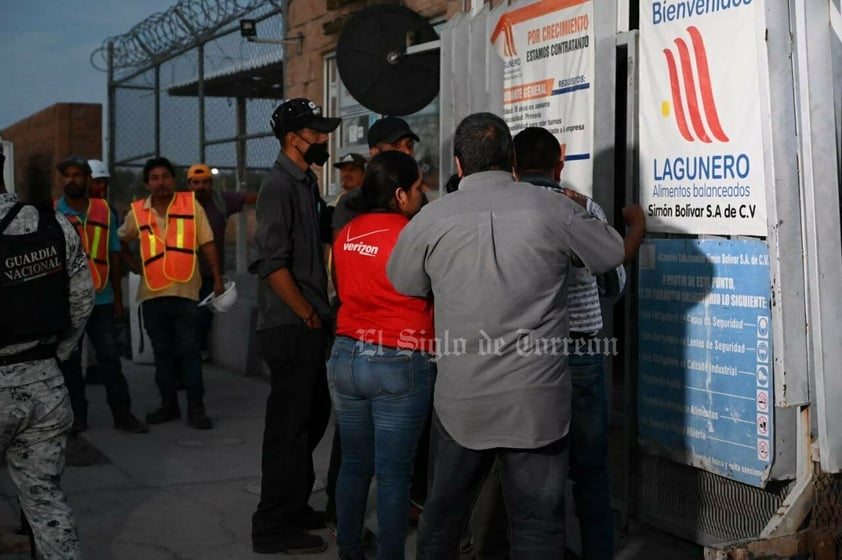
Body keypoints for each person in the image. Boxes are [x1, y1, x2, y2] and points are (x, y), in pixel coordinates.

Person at [386, 112, 626, 559]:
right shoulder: (557, 209)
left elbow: (404, 283)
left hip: (462, 402)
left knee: (442, 523)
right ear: (511, 160)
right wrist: (577, 205)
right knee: (537, 530)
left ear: (458, 165)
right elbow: (610, 253)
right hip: (536, 405)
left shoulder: (431, 218)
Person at [325, 114, 430, 531]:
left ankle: (350, 546)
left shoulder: (351, 228)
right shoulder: (399, 227)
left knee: (359, 462)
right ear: (401, 193)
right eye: (420, 189)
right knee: (388, 471)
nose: (424, 196)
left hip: (350, 350)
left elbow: (345, 277)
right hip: (395, 351)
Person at [248, 97, 339, 555]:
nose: (323, 139)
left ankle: (294, 504)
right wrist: (305, 313)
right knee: (288, 428)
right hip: (289, 324)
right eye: (316, 132)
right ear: (292, 139)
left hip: (307, 322)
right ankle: (271, 525)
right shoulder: (278, 187)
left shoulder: (305, 184)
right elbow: (271, 263)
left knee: (311, 416)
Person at [0, 172, 94, 559]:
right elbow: (83, 299)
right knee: (46, 502)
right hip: (46, 386)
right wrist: (58, 354)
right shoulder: (54, 222)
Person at [118, 156, 223, 430]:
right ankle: (168, 406)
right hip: (152, 294)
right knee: (163, 355)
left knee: (189, 352)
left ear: (173, 180)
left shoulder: (191, 206)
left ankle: (196, 409)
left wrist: (219, 279)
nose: (161, 182)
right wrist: (135, 267)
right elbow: (120, 240)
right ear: (146, 183)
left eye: (165, 176)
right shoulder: (137, 211)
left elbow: (208, 243)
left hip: (187, 292)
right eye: (155, 178)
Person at [54, 155, 148, 434]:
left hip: (102, 298)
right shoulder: (53, 212)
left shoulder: (104, 210)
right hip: (69, 302)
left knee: (110, 359)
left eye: (77, 175)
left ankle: (122, 414)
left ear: (87, 180)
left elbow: (114, 254)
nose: (71, 180)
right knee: (70, 363)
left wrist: (118, 298)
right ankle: (77, 416)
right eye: (66, 175)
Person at [186, 163, 257, 359]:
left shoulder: (220, 200)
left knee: (202, 316)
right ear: (189, 185)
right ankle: (190, 355)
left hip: (210, 271)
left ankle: (198, 352)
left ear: (211, 183)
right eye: (196, 182)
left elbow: (250, 198)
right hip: (184, 274)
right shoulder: (181, 204)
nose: (201, 187)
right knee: (187, 317)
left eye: (205, 182)